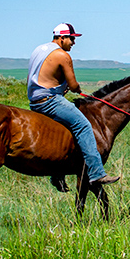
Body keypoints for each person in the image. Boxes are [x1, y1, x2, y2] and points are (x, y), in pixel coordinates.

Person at [27, 23, 119, 186]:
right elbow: (73, 83)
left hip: (35, 101)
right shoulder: (62, 55)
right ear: (61, 38)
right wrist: (76, 88)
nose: (73, 43)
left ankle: (57, 173)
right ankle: (97, 172)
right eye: (71, 39)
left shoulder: (39, 49)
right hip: (49, 101)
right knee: (83, 125)